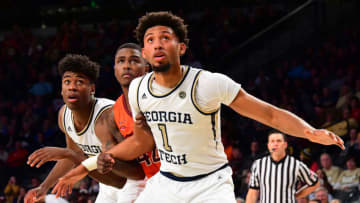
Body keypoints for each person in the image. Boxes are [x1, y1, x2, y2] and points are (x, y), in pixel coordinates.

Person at [53, 11, 344, 202]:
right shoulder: (140, 89)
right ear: (144, 51)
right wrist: (87, 165)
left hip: (210, 183)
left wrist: (308, 131)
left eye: (165, 38)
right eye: (150, 40)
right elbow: (142, 140)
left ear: (180, 47)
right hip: (166, 182)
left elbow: (267, 112)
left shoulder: (208, 83)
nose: (157, 44)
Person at [25, 54, 145, 203]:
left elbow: (121, 179)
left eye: (79, 82)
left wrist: (70, 155)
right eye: (67, 82)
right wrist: (44, 187)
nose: (72, 87)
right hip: (107, 182)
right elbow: (74, 154)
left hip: (133, 181)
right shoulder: (64, 115)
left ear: (92, 89)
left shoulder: (106, 117)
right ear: (61, 90)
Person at [246, 132, 320, 203]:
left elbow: (315, 183)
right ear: (268, 146)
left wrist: (297, 195)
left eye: (278, 141)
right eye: (272, 141)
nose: (275, 144)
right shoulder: (259, 164)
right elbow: (252, 192)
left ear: (285, 145)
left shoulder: (296, 164)